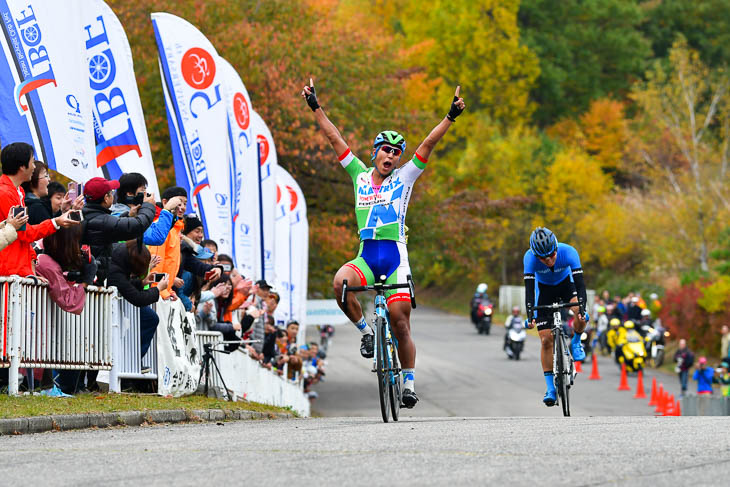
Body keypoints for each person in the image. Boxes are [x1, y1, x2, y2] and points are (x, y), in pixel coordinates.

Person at [303, 78, 465, 409]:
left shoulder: (405, 177)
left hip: (394, 260)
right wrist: (316, 107)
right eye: (385, 150)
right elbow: (334, 138)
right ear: (374, 152)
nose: (390, 156)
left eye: (395, 152)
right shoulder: (359, 175)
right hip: (367, 258)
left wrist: (449, 116)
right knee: (339, 284)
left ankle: (408, 382)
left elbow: (428, 145)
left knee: (400, 321)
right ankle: (365, 331)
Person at [524, 227, 588, 407]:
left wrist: (582, 307)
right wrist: (530, 314)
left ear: (556, 249)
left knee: (580, 315)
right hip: (543, 291)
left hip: (566, 285)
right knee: (545, 340)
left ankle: (575, 341)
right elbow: (529, 290)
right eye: (543, 258)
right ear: (535, 255)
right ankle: (550, 388)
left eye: (552, 254)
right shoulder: (529, 258)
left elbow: (581, 285)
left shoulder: (569, 252)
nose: (549, 260)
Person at [0, 142, 78, 277]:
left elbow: (23, 235)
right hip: (9, 272)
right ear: (22, 167)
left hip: (17, 270)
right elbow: (24, 233)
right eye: (32, 162)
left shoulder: (17, 192)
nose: (34, 166)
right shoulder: (5, 193)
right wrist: (55, 222)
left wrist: (31, 269)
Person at [81, 176, 157, 283]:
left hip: (92, 277)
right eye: (111, 193)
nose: (113, 195)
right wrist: (148, 206)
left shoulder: (87, 214)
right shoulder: (103, 221)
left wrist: (128, 216)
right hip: (94, 282)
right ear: (106, 198)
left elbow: (111, 226)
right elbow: (138, 226)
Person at [107, 240, 167, 359]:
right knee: (150, 318)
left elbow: (125, 284)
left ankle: (128, 357)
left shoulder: (119, 256)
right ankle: (129, 358)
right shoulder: (116, 269)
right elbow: (137, 298)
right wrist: (158, 289)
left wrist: (141, 282)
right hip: (99, 311)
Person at [110, 172, 186, 246]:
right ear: (129, 194)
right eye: (142, 190)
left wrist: (172, 214)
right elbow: (155, 237)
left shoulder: (134, 214)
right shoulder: (118, 216)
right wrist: (166, 209)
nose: (146, 194)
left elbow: (155, 229)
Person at [35, 226, 97, 314]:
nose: (78, 248)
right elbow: (69, 302)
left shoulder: (42, 251)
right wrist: (86, 281)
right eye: (76, 241)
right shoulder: (47, 264)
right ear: (67, 243)